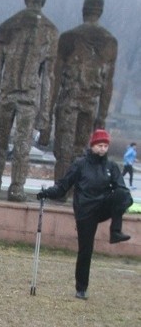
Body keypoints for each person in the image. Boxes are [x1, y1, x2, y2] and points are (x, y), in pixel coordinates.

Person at [0, 0, 59, 201]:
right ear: (43, 1)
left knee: (0, 142)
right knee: (22, 146)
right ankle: (16, 187)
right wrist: (45, 114)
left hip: (6, 93)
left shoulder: (8, 26)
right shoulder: (50, 32)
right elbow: (48, 80)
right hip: (29, 97)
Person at [40, 128, 132, 299]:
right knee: (85, 250)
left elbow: (120, 188)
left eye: (105, 146)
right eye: (99, 145)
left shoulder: (111, 166)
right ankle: (81, 288)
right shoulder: (80, 164)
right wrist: (47, 193)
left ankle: (115, 232)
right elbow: (63, 186)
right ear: (92, 146)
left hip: (102, 206)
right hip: (85, 211)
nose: (102, 149)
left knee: (122, 194)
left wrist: (123, 202)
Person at [43, 0, 118, 180]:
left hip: (69, 102)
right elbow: (108, 84)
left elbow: (56, 78)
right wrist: (102, 116)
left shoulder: (69, 38)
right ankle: (76, 191)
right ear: (100, 12)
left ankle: (62, 189)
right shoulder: (110, 42)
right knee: (81, 151)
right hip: (91, 105)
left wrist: (47, 113)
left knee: (64, 150)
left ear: (83, 10)